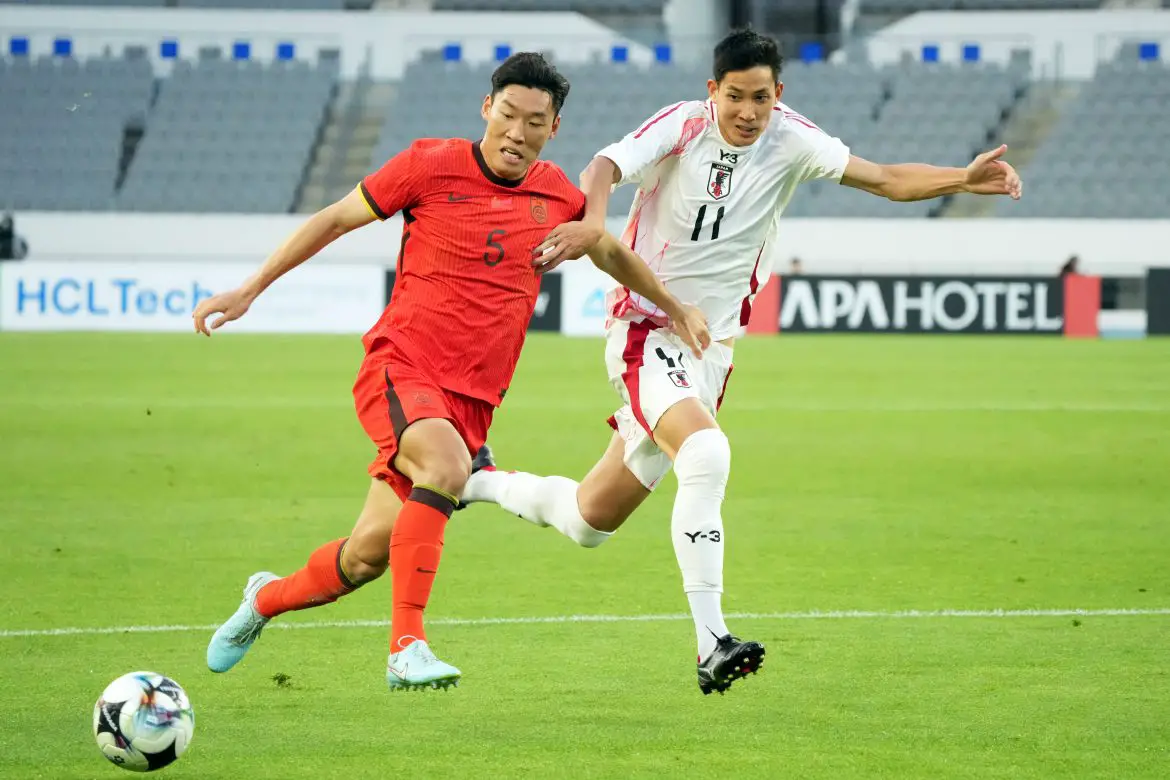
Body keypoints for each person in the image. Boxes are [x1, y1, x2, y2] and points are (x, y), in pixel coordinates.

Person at [463, 29, 1023, 695]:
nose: (747, 112)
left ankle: (477, 480)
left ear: (777, 94)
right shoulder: (682, 125)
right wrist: (595, 224)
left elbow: (884, 178)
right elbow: (603, 166)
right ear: (713, 92)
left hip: (710, 351)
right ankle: (711, 643)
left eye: (760, 97)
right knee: (707, 456)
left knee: (589, 521)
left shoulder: (794, 139)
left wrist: (961, 177)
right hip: (648, 328)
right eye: (735, 97)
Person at [192, 52, 709, 692]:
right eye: (509, 115)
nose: (517, 133)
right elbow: (333, 220)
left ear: (554, 130)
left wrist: (675, 307)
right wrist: (250, 290)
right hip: (400, 366)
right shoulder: (428, 166)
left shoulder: (559, 198)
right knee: (446, 468)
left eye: (535, 122)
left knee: (363, 557)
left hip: (471, 405)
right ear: (487, 109)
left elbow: (609, 251)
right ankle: (406, 646)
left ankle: (263, 601)